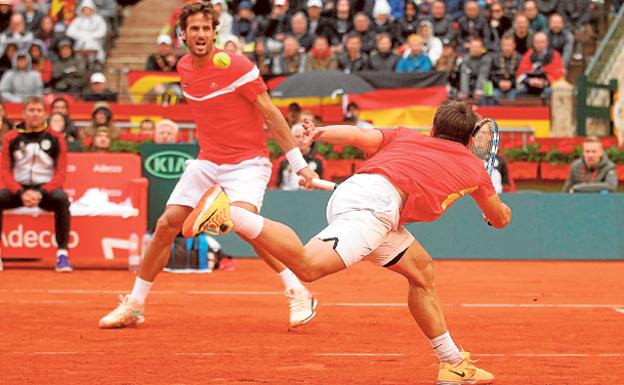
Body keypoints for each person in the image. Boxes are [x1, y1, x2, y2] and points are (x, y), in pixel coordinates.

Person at [184, 100, 511, 385]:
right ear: (470, 140)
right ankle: (231, 214)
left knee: (422, 272)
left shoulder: (405, 135)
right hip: (375, 208)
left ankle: (452, 363)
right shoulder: (475, 169)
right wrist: (499, 212)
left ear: (432, 128)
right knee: (309, 266)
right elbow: (499, 219)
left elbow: (359, 135)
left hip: (362, 192)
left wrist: (319, 132)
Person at [99, 2, 319, 330]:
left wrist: (299, 164)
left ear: (214, 32)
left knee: (247, 227)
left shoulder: (237, 66)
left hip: (247, 163)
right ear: (183, 35)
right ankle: (135, 304)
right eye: (194, 29)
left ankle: (298, 290)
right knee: (165, 225)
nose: (201, 34)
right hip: (208, 161)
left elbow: (271, 114)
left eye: (206, 28)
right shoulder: (184, 67)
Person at [0, 96, 73, 272]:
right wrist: (20, 192)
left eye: (39, 110)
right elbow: (4, 171)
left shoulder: (56, 138)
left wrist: (41, 192)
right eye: (31, 110)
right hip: (19, 189)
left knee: (62, 199)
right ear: (24, 113)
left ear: (45, 113)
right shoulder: (11, 137)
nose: (35, 114)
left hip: (45, 190)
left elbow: (61, 173)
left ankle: (62, 254)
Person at [274, 123, 326, 190]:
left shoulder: (320, 160)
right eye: (297, 137)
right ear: (291, 139)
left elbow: (325, 186)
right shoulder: (282, 160)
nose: (301, 140)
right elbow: (274, 186)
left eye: (304, 136)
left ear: (311, 140)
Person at [517, 31, 564, 97]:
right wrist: (529, 81)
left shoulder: (555, 55)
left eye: (542, 42)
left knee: (548, 92)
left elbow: (558, 73)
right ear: (533, 43)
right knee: (519, 92)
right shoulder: (528, 55)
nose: (540, 45)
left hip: (548, 85)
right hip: (530, 85)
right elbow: (520, 73)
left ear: (547, 42)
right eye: (537, 42)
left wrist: (544, 82)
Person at [491, 34, 521, 100]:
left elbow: (521, 75)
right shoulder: (495, 58)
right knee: (494, 95)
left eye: (509, 45)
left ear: (514, 45)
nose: (507, 48)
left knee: (515, 94)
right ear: (501, 46)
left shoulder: (519, 58)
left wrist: (511, 83)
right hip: (498, 87)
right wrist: (499, 82)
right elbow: (491, 74)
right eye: (505, 45)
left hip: (514, 88)